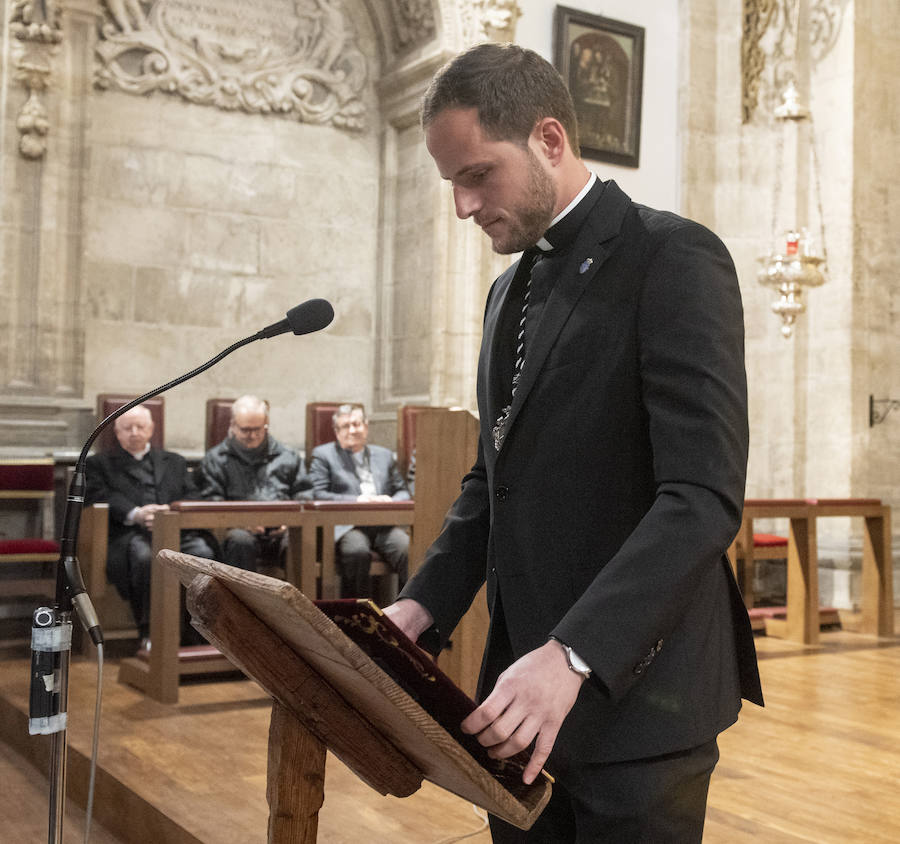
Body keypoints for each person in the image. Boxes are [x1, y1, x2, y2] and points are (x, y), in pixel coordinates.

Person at [383, 43, 763, 843]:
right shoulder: (503, 292)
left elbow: (700, 498)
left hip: (640, 698)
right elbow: (496, 480)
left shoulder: (673, 257)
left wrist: (574, 654)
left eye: (477, 174)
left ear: (549, 140)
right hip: (515, 701)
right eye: (451, 180)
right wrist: (422, 607)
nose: (461, 205)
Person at [84, 404, 218, 646]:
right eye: (127, 428)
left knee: (203, 554)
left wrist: (170, 510)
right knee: (146, 557)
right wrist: (136, 513)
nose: (134, 432)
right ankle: (149, 633)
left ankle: (199, 632)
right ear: (117, 432)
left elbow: (194, 496)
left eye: (140, 427)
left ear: (151, 429)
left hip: (175, 531)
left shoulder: (175, 461)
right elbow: (98, 496)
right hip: (128, 535)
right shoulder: (98, 464)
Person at [304, 403, 410, 598]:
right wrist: (358, 500)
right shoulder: (323, 455)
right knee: (357, 552)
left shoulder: (384, 455)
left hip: (382, 525)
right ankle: (356, 618)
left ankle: (403, 615)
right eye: (345, 426)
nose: (352, 430)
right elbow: (318, 494)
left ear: (366, 427)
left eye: (357, 424)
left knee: (408, 549)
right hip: (347, 526)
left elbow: (403, 491)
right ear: (336, 431)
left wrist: (390, 500)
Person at [196, 395, 305, 572]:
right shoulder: (215, 460)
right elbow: (211, 502)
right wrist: (241, 523)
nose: (252, 435)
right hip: (237, 530)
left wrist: (288, 523)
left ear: (266, 424)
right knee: (240, 541)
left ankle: (299, 600)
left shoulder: (288, 456)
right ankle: (241, 600)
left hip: (282, 530)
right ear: (232, 425)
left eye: (258, 429)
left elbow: (303, 495)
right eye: (246, 430)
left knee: (300, 540)